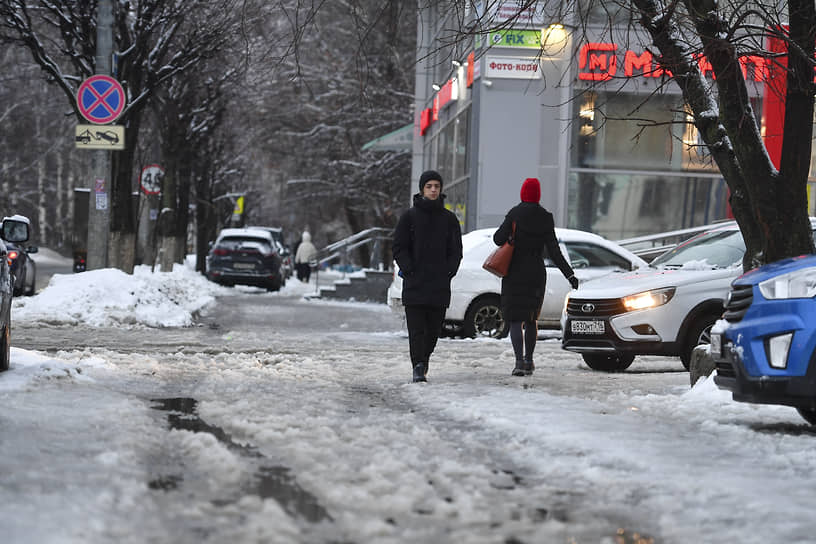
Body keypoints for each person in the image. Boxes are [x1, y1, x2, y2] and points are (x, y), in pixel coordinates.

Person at [493, 177, 579, 377]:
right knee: (531, 319)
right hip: (535, 275)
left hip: (514, 273)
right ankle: (529, 361)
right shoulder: (545, 217)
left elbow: (498, 239)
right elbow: (555, 251)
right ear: (538, 194)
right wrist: (570, 274)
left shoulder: (514, 214)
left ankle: (518, 363)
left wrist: (512, 235)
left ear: (523, 193)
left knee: (515, 320)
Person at [392, 170, 463, 383]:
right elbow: (398, 247)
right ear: (422, 189)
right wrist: (409, 268)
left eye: (436, 186)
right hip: (415, 283)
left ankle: (425, 358)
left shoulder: (449, 220)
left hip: (439, 285)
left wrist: (449, 271)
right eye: (429, 186)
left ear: (441, 190)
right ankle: (418, 365)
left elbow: (456, 251)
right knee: (416, 330)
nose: (433, 190)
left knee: (433, 331)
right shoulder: (409, 217)